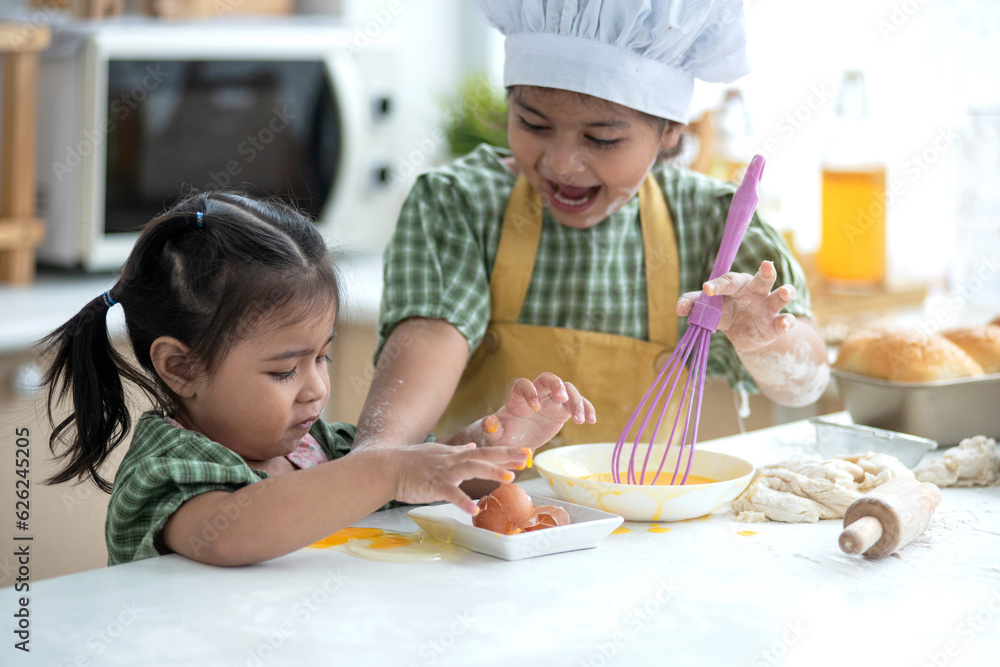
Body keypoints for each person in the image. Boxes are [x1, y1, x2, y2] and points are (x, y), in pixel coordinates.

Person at [354, 0, 829, 453]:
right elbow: (400, 421)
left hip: (644, 523)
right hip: (477, 522)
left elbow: (805, 384)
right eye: (534, 125)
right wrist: (384, 456)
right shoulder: (461, 204)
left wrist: (763, 339)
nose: (560, 163)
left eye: (600, 138)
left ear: (669, 131)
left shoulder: (709, 223)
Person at [40, 191, 594, 566]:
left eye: (322, 359)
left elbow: (421, 485)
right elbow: (233, 532)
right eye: (284, 370)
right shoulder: (169, 468)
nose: (316, 389)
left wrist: (495, 442)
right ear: (180, 367)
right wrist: (383, 473)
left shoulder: (317, 450)